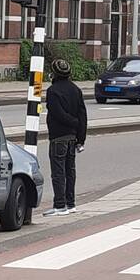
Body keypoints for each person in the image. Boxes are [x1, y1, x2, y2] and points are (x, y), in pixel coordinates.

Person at [42, 58, 87, 217]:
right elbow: (83, 115)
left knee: (58, 172)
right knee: (70, 171)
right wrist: (81, 138)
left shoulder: (53, 91)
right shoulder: (76, 90)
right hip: (72, 138)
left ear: (54, 73)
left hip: (58, 137)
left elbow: (58, 114)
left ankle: (60, 205)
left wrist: (72, 123)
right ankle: (71, 203)